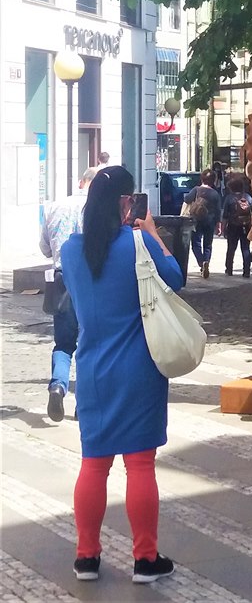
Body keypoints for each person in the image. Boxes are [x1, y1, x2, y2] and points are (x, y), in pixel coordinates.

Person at [60, 166, 182, 584]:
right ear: (125, 203)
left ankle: (86, 557)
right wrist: (151, 231)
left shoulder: (71, 251)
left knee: (93, 465)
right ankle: (145, 560)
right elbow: (175, 279)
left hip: (92, 368)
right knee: (140, 465)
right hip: (138, 368)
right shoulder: (137, 243)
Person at [39, 168, 96, 422]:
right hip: (87, 282)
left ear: (81, 182)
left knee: (63, 344)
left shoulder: (54, 207)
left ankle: (57, 386)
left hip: (60, 281)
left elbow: (43, 248)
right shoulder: (94, 208)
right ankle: (82, 404)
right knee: (88, 344)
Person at [183, 169, 222, 278]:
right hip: (210, 221)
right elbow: (218, 210)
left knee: (196, 243)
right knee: (208, 244)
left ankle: (201, 263)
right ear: (214, 180)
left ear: (202, 179)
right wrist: (219, 225)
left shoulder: (196, 190)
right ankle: (206, 261)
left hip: (196, 220)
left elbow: (186, 199)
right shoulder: (215, 194)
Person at [221, 177, 252, 278]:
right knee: (245, 248)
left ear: (231, 188)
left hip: (233, 226)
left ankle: (229, 269)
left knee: (231, 248)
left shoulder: (229, 198)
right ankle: (247, 271)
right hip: (246, 226)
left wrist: (222, 228)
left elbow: (225, 215)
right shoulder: (248, 197)